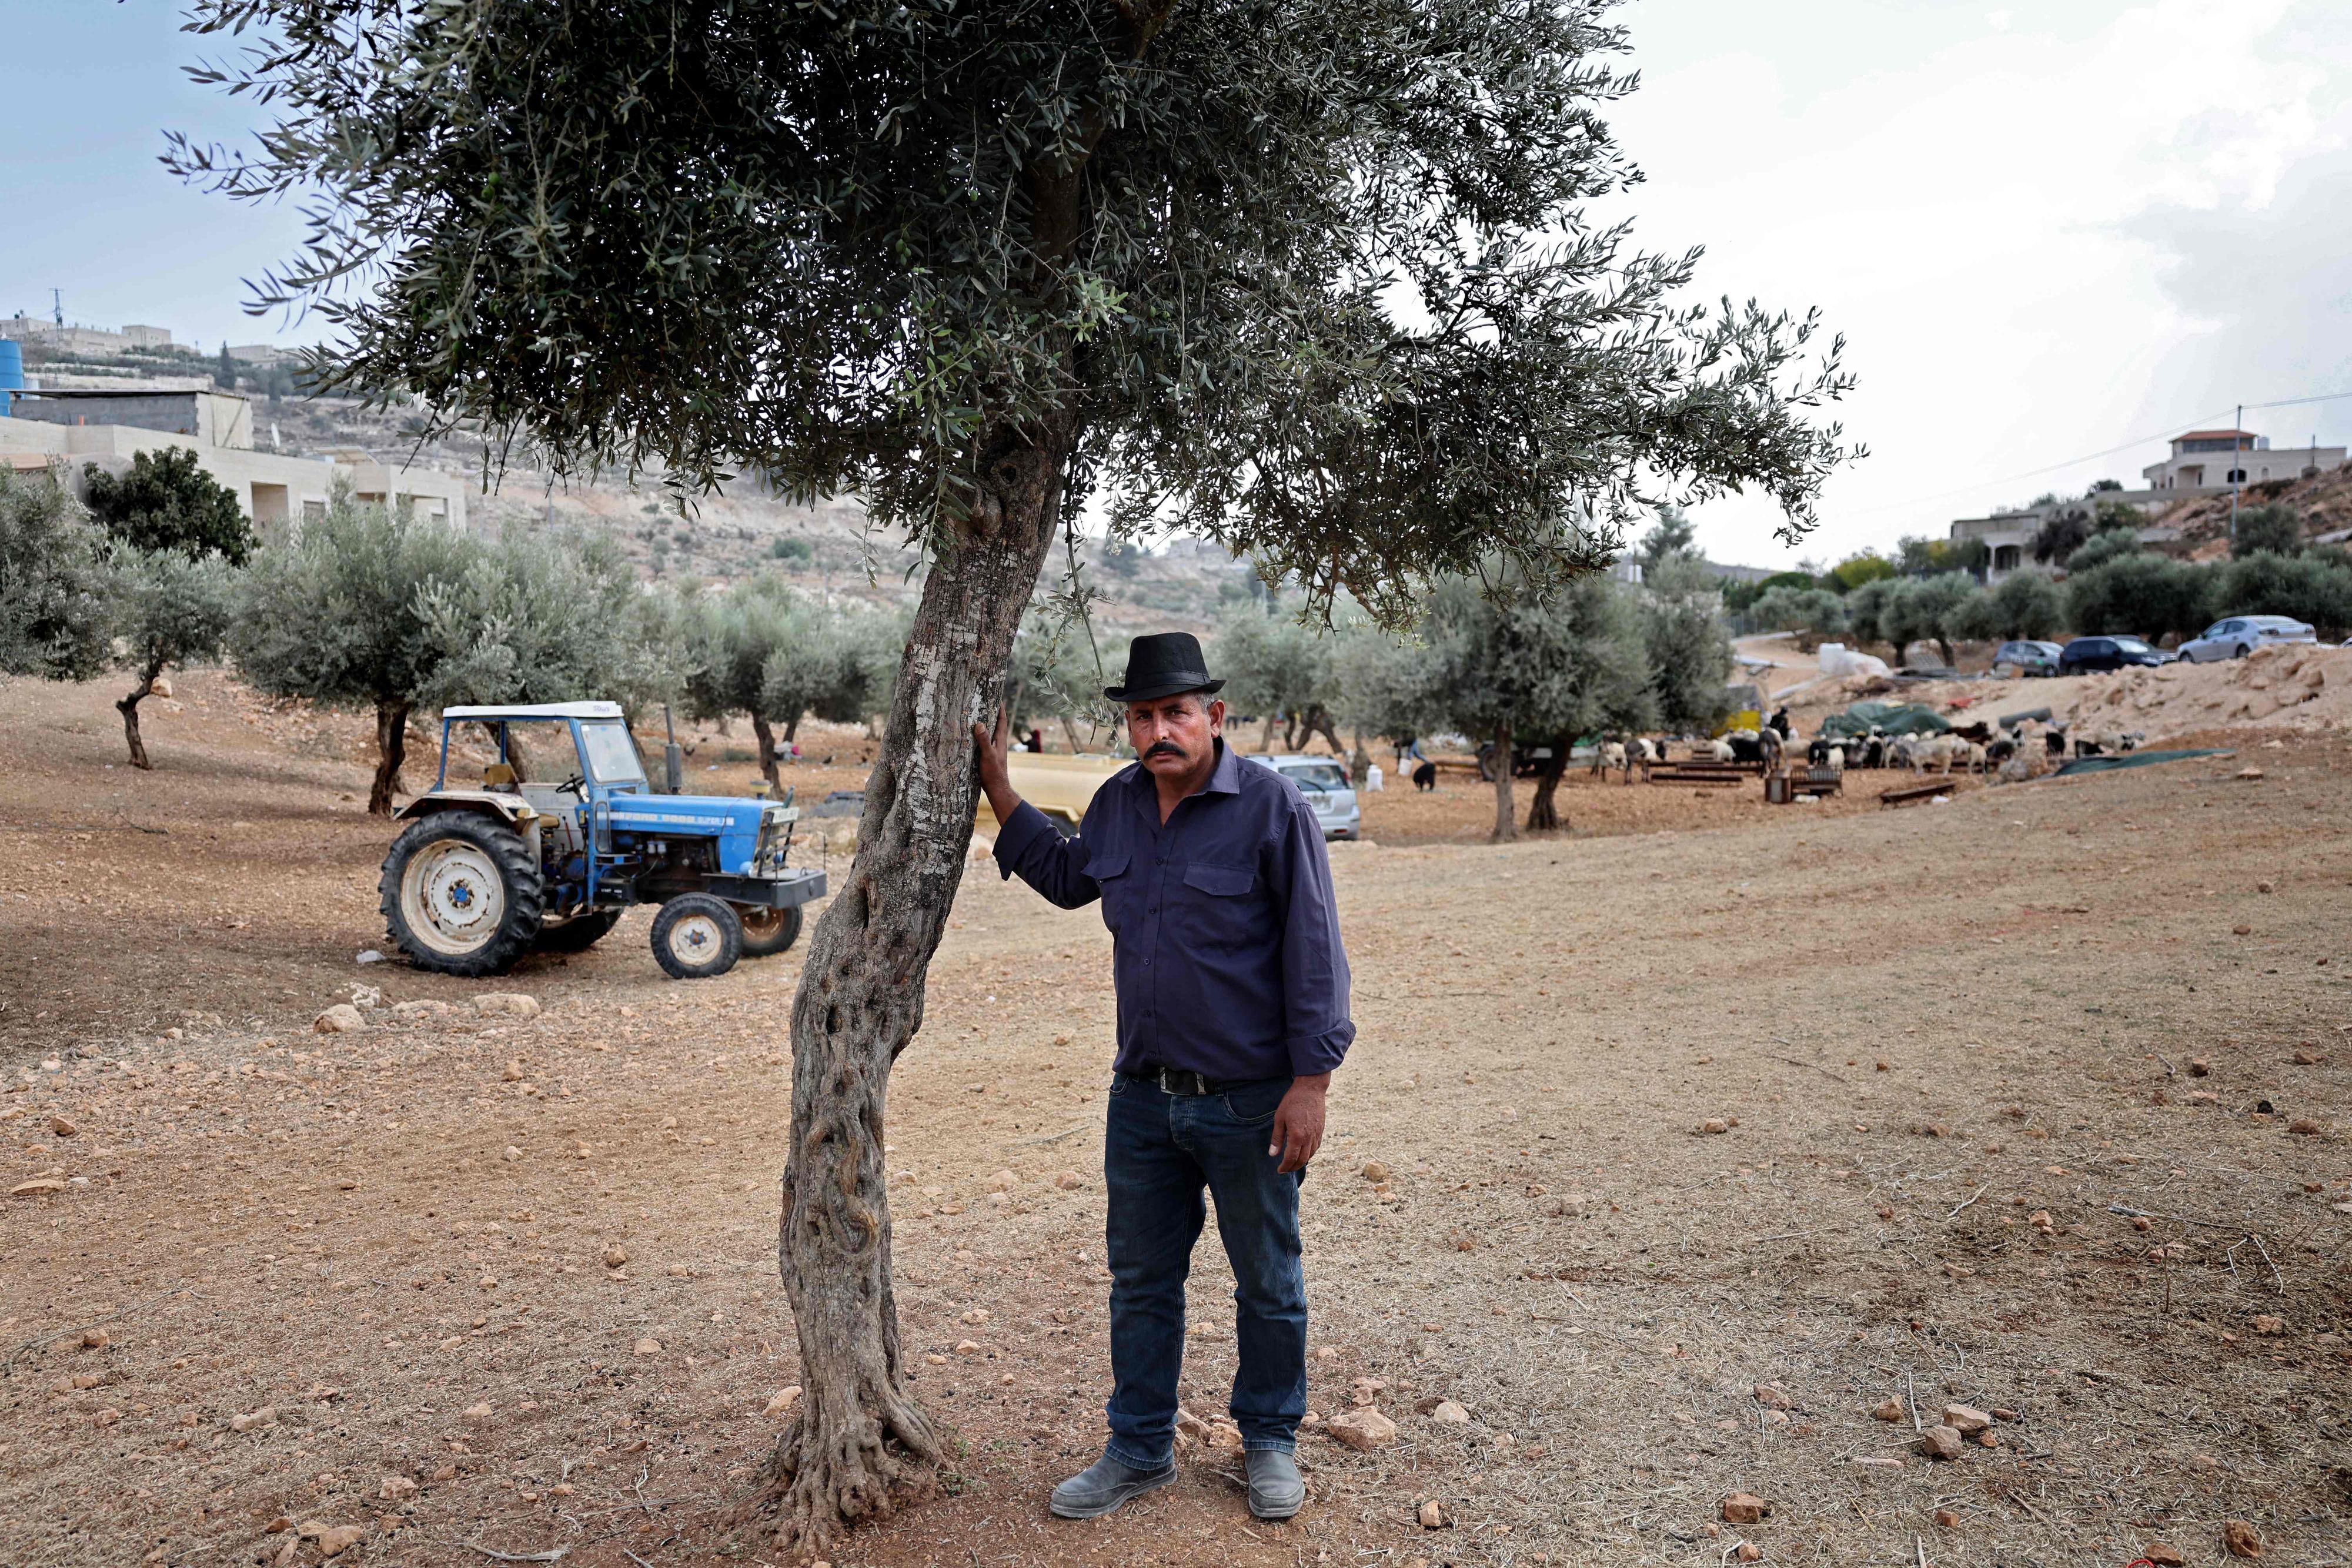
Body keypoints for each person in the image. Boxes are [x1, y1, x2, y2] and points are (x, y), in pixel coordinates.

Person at [971, 631, 1352, 1525]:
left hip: (1252, 1100)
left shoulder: (1272, 810)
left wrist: (1313, 1083)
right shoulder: (1115, 805)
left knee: (1268, 1279)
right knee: (1141, 1282)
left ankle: (1269, 1440)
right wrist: (1000, 794)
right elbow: (1070, 880)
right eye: (1142, 716)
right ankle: (1139, 1448)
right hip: (1141, 1100)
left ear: (1214, 716)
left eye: (1176, 712)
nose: (1159, 730)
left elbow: (1314, 951)